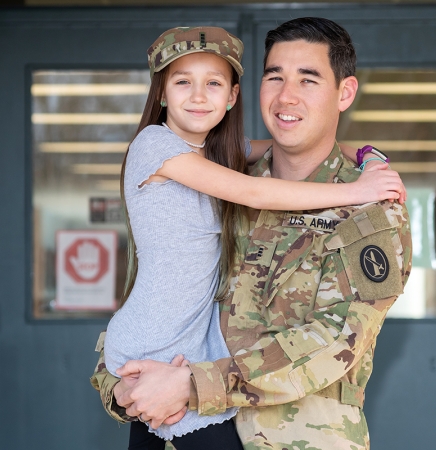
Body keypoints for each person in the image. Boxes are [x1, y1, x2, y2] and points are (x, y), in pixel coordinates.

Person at [100, 25, 406, 450]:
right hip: (176, 422)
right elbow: (164, 292)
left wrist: (192, 385)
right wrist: (121, 384)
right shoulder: (223, 179)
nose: (287, 96)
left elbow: (335, 340)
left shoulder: (369, 209)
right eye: (275, 76)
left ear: (345, 92)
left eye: (308, 78)